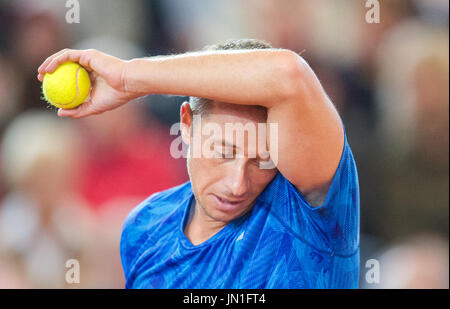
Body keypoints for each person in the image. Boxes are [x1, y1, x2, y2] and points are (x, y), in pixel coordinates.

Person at [37, 38, 359, 288]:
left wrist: (128, 78)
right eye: (223, 151)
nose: (237, 184)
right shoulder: (144, 227)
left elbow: (288, 74)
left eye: (263, 161)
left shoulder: (309, 216)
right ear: (187, 125)